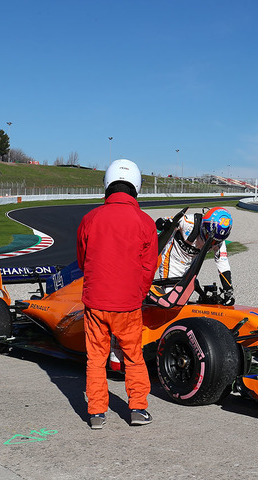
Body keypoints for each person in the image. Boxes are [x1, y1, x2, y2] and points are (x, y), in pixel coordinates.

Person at [76, 159, 158, 429]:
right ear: (136, 186)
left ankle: (97, 413)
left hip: (96, 301)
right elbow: (149, 267)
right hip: (128, 305)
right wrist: (138, 293)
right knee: (134, 357)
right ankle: (137, 409)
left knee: (95, 359)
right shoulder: (145, 222)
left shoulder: (90, 219)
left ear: (108, 185)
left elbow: (82, 260)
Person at [155, 207, 234, 305]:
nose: (213, 243)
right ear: (204, 225)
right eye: (212, 239)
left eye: (216, 241)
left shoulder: (219, 241)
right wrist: (164, 224)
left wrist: (228, 290)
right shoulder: (188, 221)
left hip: (190, 267)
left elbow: (223, 263)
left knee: (182, 299)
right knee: (172, 300)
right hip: (172, 261)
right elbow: (161, 222)